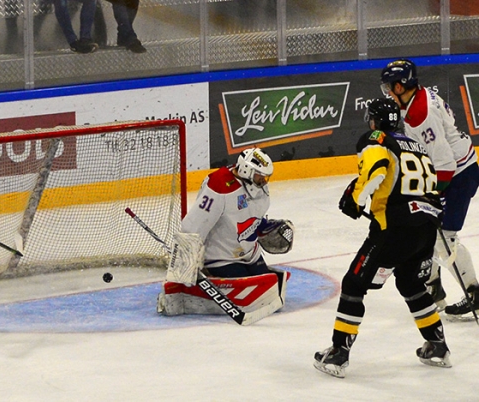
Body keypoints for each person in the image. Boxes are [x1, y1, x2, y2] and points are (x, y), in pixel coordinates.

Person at [314, 98, 450, 378]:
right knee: (411, 282)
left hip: (395, 228)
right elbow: (430, 187)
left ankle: (338, 353)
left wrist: (356, 199)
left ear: (375, 121)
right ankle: (437, 345)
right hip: (426, 227)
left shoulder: (377, 139)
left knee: (354, 283)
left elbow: (374, 171)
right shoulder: (416, 145)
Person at [381, 59, 479, 320]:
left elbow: (445, 162)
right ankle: (433, 288)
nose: (389, 91)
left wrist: (432, 194)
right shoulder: (416, 99)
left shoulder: (421, 113)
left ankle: (475, 294)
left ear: (403, 86)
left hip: (458, 176)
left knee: (444, 238)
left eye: (391, 86)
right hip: (453, 171)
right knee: (427, 231)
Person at [157, 147, 292, 317]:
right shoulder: (220, 185)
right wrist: (184, 267)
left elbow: (249, 216)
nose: (264, 181)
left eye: (266, 177)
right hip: (221, 257)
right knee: (252, 295)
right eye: (260, 176)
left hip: (249, 252)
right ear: (246, 170)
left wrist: (262, 227)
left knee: (268, 289)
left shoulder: (259, 187)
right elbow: (193, 226)